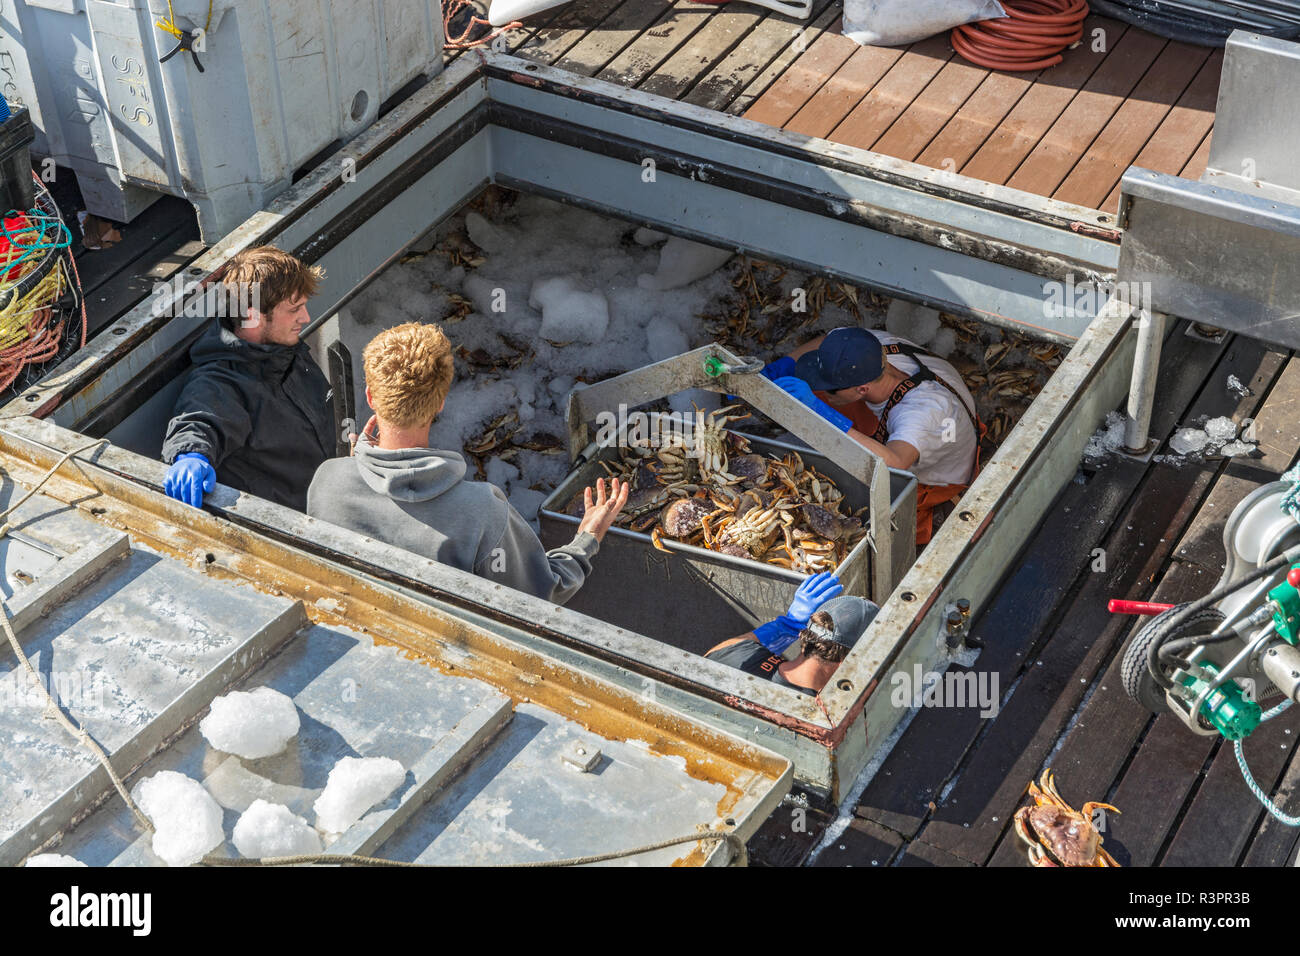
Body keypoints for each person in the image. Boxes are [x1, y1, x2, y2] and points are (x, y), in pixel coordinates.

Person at [306, 321, 628, 604]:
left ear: (371, 398)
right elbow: (543, 595)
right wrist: (587, 538)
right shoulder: (482, 511)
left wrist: (358, 465)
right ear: (441, 402)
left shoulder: (328, 482)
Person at [763, 327, 981, 547]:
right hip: (919, 422)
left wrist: (825, 415)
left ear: (862, 389)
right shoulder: (869, 348)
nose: (826, 393)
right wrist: (786, 364)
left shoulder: (921, 414)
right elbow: (827, 340)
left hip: (931, 478)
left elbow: (895, 463)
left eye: (831, 390)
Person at [161, 246, 335, 512]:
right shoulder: (221, 382)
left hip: (329, 497)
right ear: (252, 316)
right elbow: (200, 420)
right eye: (294, 309)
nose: (306, 317)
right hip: (293, 523)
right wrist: (191, 456)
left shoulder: (285, 351)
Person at [704, 572, 878, 695]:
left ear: (806, 636)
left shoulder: (733, 655)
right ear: (846, 663)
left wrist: (786, 626)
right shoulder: (821, 714)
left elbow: (719, 650)